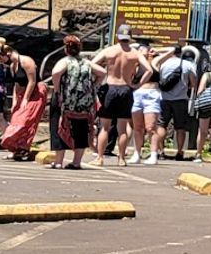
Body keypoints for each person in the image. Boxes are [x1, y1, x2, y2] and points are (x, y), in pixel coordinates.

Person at [91, 25, 148, 167]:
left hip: (110, 87)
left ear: (117, 36)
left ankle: (100, 158)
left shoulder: (109, 51)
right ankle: (121, 158)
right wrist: (138, 84)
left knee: (105, 127)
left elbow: (92, 64)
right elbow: (149, 69)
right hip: (126, 88)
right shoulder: (134, 53)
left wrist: (98, 79)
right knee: (122, 128)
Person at [47, 35, 99, 169]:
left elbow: (55, 73)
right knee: (80, 129)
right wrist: (93, 86)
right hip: (82, 103)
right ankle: (76, 162)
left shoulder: (65, 61)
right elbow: (103, 72)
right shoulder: (86, 63)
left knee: (58, 127)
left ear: (66, 49)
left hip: (65, 100)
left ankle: (58, 161)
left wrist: (58, 89)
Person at [0, 45, 43, 159]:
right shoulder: (13, 66)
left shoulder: (26, 61)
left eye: (1, 57)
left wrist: (26, 99)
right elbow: (17, 84)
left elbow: (32, 82)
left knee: (26, 120)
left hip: (36, 92)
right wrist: (15, 101)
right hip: (22, 92)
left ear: (8, 53)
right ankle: (16, 148)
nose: (0, 60)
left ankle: (24, 148)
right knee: (16, 118)